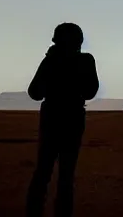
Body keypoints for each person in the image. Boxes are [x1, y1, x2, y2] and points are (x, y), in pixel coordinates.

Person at [26, 22, 100, 217]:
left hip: (52, 117)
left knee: (43, 172)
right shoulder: (84, 60)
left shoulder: (51, 61)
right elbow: (90, 91)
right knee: (65, 175)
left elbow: (34, 92)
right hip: (72, 119)